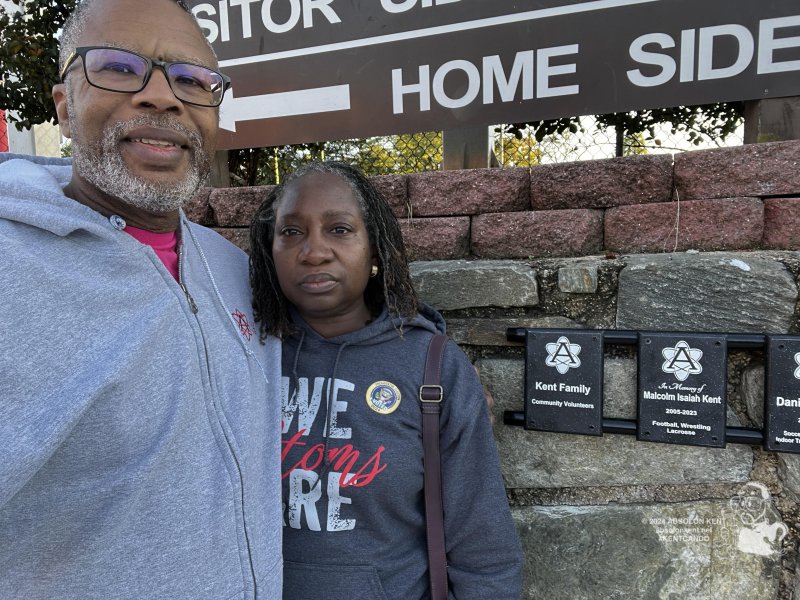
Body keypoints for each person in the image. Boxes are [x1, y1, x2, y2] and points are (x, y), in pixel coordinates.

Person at [0, 0, 282, 597]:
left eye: (191, 80)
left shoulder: (237, 272)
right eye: (118, 68)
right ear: (63, 106)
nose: (162, 96)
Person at [249, 161, 523, 599]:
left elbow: (483, 542)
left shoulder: (432, 367)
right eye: (291, 232)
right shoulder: (240, 354)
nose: (314, 251)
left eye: (339, 229)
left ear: (374, 248)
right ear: (270, 249)